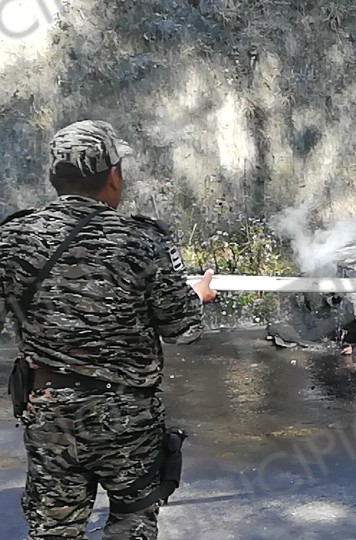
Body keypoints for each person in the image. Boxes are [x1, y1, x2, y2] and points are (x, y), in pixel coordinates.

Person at [0, 119, 218, 539]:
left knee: (53, 531)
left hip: (49, 410)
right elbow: (183, 329)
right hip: (127, 418)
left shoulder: (12, 237)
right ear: (114, 176)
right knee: (132, 522)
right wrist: (198, 297)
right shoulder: (141, 240)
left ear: (53, 177)